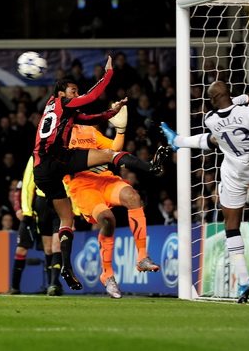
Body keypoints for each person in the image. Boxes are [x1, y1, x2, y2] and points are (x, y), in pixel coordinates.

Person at [32, 54, 168, 291]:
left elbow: (93, 121)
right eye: (73, 91)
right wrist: (109, 74)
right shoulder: (62, 105)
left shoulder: (71, 119)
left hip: (48, 167)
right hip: (66, 171)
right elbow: (91, 97)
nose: (76, 94)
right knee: (106, 212)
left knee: (68, 219)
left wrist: (113, 115)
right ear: (62, 94)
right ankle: (150, 167)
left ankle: (67, 266)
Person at [160, 81, 249, 303]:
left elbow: (219, 125)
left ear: (212, 100)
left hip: (235, 175)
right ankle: (178, 141)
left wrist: (242, 99)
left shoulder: (209, 119)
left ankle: (244, 279)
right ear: (229, 93)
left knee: (231, 226)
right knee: (219, 140)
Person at [63, 105, 160, 299]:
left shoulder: (89, 131)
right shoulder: (59, 138)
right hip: (83, 187)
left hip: (105, 179)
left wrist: (121, 130)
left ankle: (142, 257)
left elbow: (114, 149)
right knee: (108, 220)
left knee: (133, 197)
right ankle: (107, 274)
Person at [8, 157, 64, 296]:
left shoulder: (61, 157)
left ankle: (53, 283)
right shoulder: (34, 160)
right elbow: (21, 191)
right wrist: (21, 211)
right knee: (23, 249)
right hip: (33, 214)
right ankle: (14, 287)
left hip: (48, 208)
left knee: (52, 247)